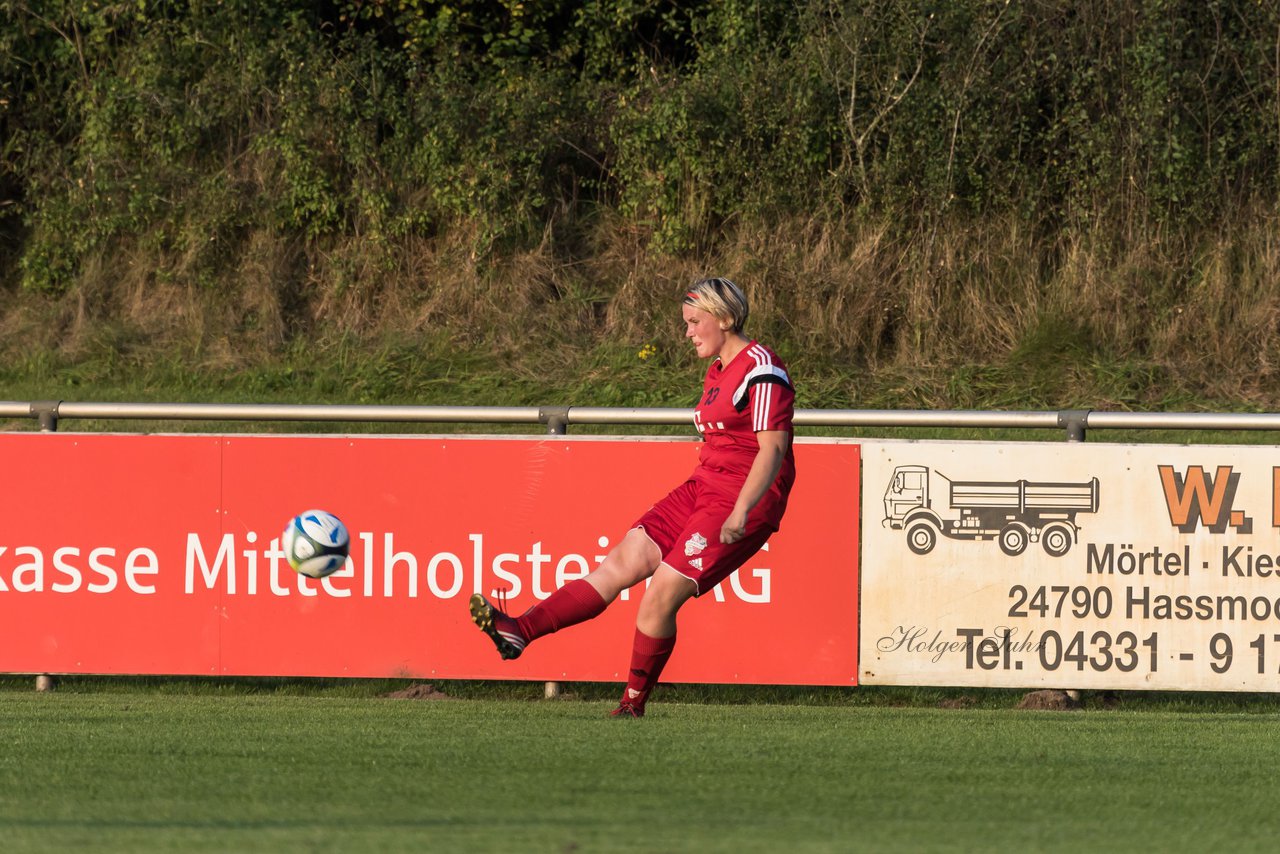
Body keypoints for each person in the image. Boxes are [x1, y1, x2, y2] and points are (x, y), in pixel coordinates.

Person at [468, 277, 796, 717]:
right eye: (686, 323)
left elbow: (773, 448)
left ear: (725, 317)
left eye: (695, 322)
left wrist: (741, 509)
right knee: (620, 563)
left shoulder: (762, 367)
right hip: (703, 487)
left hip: (742, 498)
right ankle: (519, 630)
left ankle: (631, 706)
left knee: (660, 593)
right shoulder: (717, 370)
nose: (688, 332)